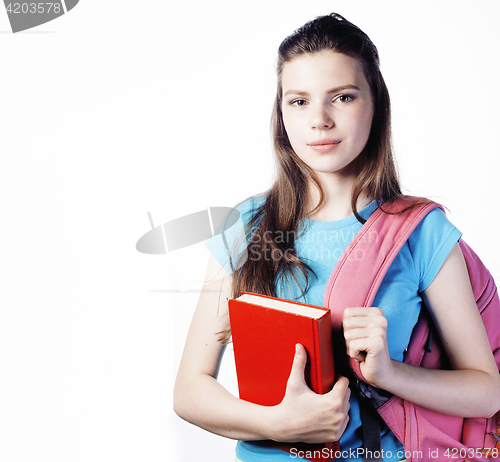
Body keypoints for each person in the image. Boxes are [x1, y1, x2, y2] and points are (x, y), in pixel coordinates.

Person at [173, 13, 500, 462]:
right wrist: (278, 424)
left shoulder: (422, 231)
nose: (320, 120)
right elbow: (191, 390)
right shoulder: (245, 225)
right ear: (281, 113)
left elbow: (486, 391)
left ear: (376, 104)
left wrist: (390, 374)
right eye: (299, 101)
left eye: (342, 97)